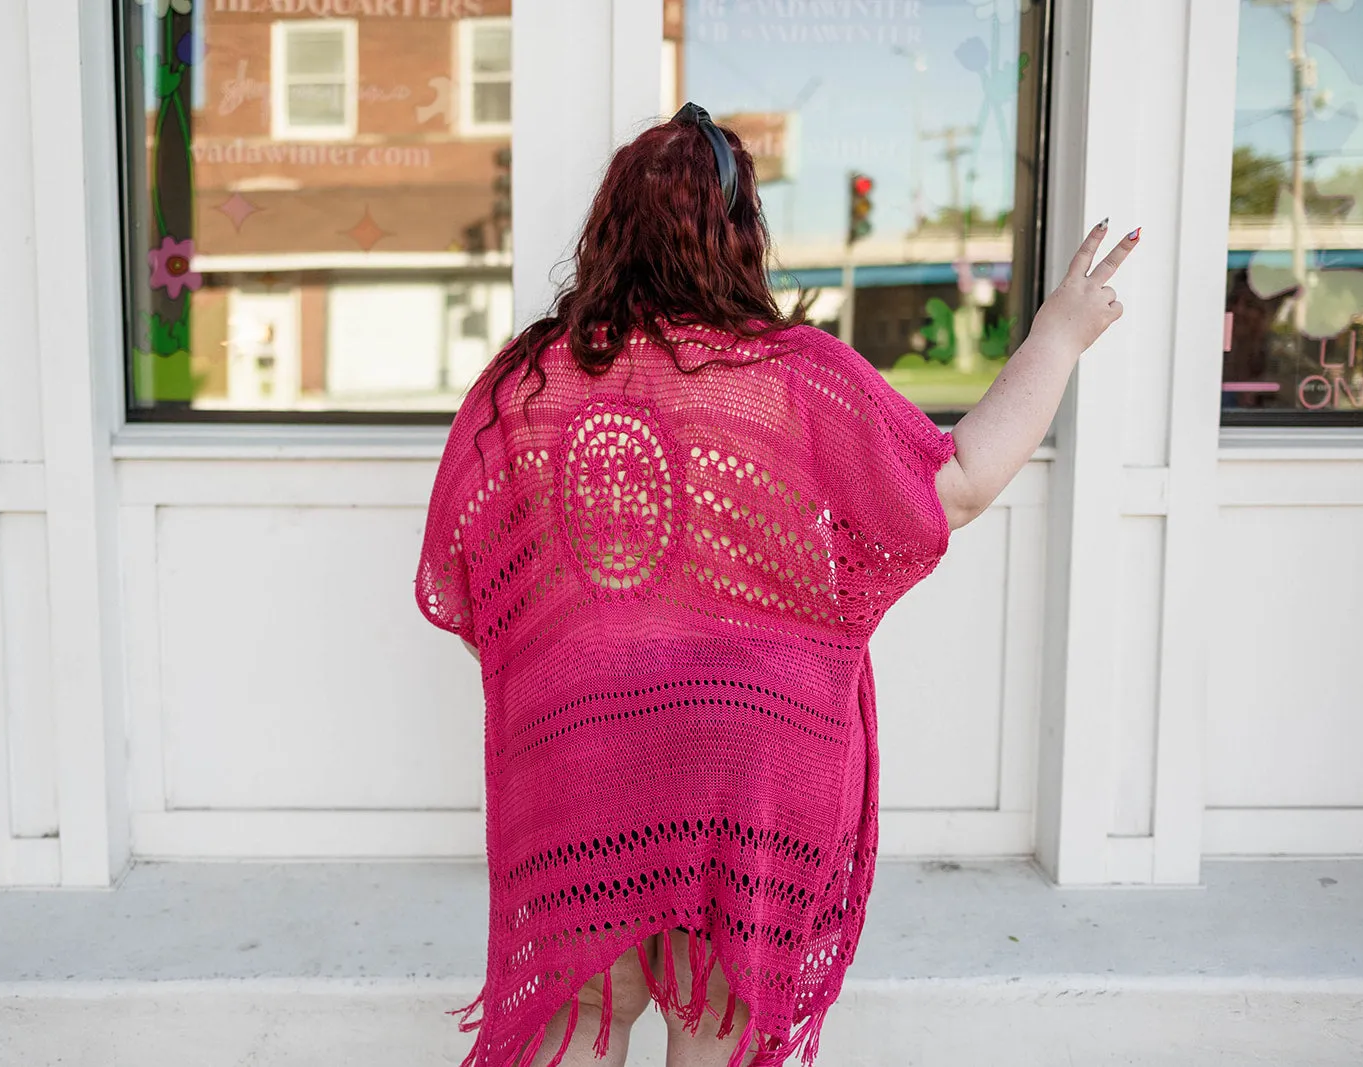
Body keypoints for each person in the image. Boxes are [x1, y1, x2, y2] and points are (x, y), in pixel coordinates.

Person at [414, 103, 1137, 1067]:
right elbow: (954, 486)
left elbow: (469, 579)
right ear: (744, 237)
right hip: (751, 747)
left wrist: (584, 651)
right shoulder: (799, 375)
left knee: (582, 1008)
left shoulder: (523, 383)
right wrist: (1058, 336)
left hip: (579, 737)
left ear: (607, 231)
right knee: (714, 1017)